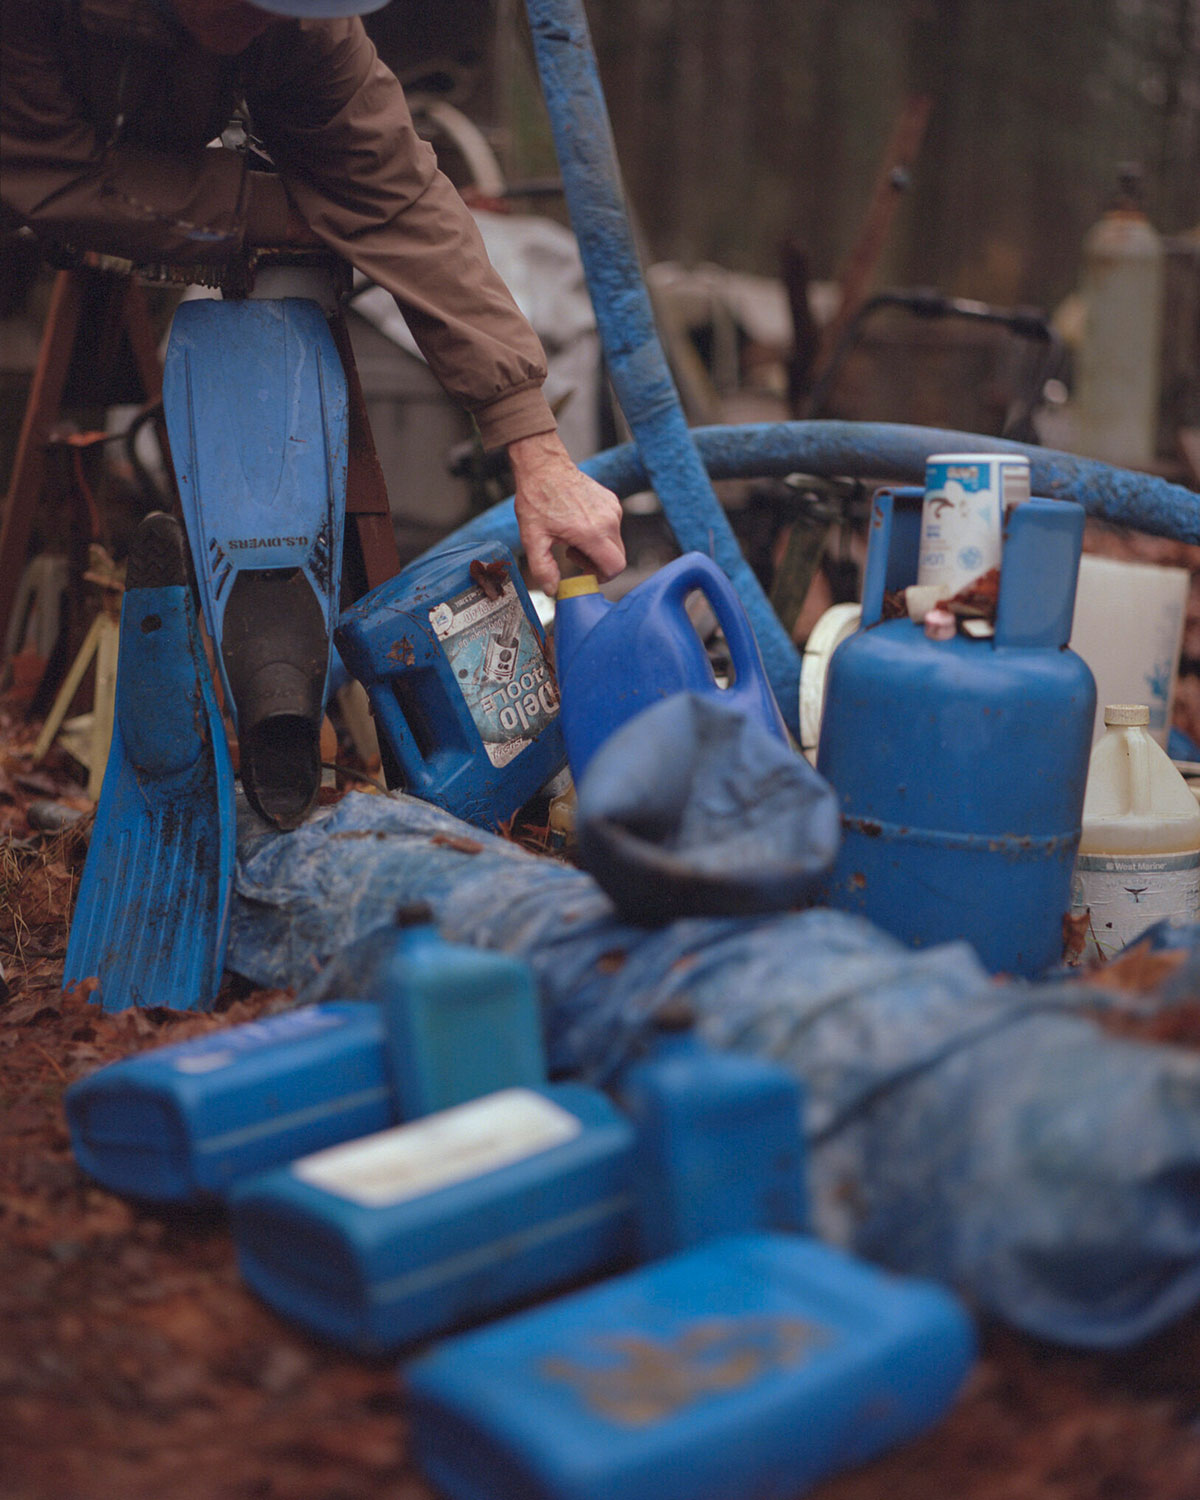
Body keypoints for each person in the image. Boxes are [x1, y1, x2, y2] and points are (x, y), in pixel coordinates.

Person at [0, 0, 627, 594]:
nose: (267, 20)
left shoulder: (296, 25)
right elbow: (53, 176)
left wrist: (537, 450)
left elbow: (397, 197)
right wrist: (285, 209)